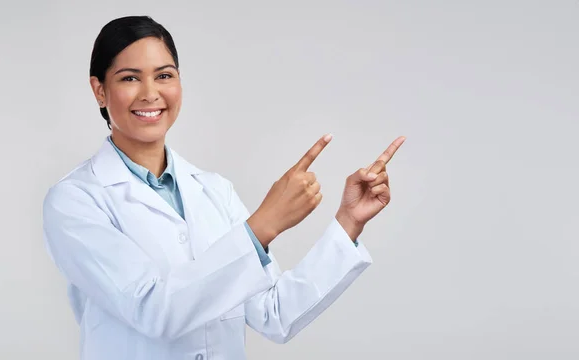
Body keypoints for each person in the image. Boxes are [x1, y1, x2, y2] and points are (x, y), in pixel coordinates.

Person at [42, 15, 406, 360]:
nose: (150, 93)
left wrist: (348, 223)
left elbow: (273, 314)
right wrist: (263, 225)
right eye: (129, 78)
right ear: (99, 90)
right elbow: (153, 310)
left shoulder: (214, 190)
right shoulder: (76, 200)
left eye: (164, 75)